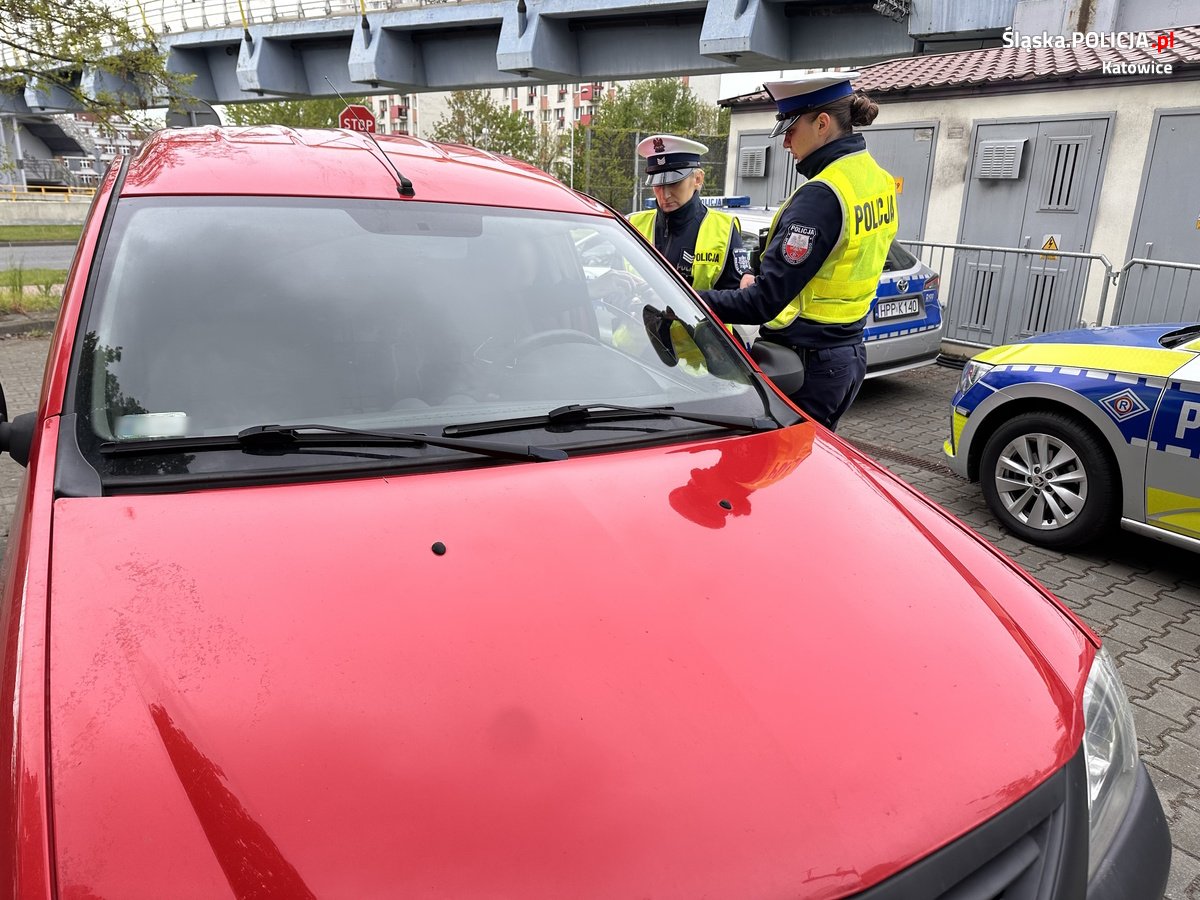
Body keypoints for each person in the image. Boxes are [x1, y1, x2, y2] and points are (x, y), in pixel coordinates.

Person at [697, 72, 898, 431]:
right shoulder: (877, 179)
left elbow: (765, 303)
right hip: (846, 353)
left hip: (807, 365)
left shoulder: (822, 194)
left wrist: (691, 300)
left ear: (822, 124)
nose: (786, 143)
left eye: (790, 130)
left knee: (779, 472)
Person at [628, 134, 755, 292]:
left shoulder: (723, 228)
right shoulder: (632, 225)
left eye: (674, 183)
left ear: (698, 179)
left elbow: (734, 299)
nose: (664, 194)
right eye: (658, 185)